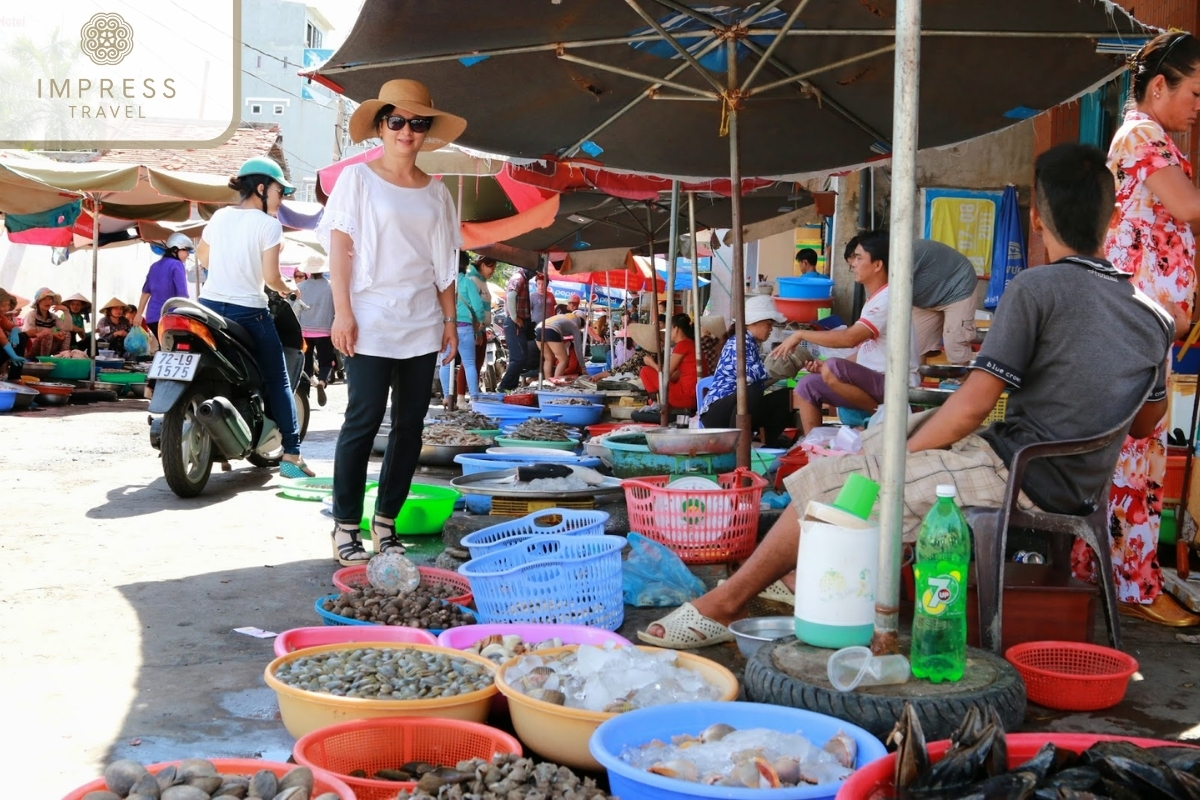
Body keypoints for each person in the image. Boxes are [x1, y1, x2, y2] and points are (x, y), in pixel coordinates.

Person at [640, 143, 1176, 647]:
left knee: (848, 477)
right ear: (1110, 219)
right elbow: (1147, 423)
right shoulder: (1155, 316)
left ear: (1038, 216)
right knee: (875, 451)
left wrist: (897, 463)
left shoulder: (1036, 289)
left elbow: (972, 407)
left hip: (1016, 473)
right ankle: (799, 575)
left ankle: (727, 604)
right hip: (1072, 482)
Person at [1071, 31, 1200, 626]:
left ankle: (1126, 580)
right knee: (1131, 451)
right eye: (1194, 92)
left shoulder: (1152, 137)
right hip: (1136, 316)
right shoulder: (1142, 133)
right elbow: (1188, 207)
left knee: (1137, 452)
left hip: (1148, 320)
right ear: (1158, 86)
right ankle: (1123, 585)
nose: (1199, 106)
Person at [318, 78, 464, 566]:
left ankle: (386, 523)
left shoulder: (438, 194)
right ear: (381, 126)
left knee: (411, 426)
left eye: (417, 123)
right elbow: (340, 249)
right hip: (370, 318)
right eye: (397, 121)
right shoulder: (357, 180)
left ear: (426, 131)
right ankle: (343, 526)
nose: (406, 130)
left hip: (423, 320)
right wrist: (343, 311)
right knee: (362, 420)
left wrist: (450, 320)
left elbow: (445, 263)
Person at [197, 156, 313, 480]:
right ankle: (292, 453)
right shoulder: (269, 225)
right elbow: (272, 277)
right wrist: (290, 289)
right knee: (279, 380)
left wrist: (226, 268)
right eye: (280, 191)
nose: (282, 198)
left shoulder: (219, 217)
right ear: (261, 188)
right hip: (248, 313)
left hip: (207, 308)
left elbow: (203, 256)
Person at [772, 230, 919, 434]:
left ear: (878, 265)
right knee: (806, 386)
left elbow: (850, 338)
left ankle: (889, 415)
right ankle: (813, 445)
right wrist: (823, 367)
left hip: (895, 385)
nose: (853, 264)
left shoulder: (889, 298)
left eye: (859, 258)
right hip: (874, 382)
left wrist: (800, 335)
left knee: (833, 367)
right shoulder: (874, 299)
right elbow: (866, 350)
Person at [698, 294, 795, 447]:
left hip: (735, 406)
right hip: (717, 413)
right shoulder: (738, 342)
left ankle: (768, 443)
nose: (770, 329)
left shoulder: (751, 343)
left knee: (788, 396)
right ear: (753, 322)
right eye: (768, 324)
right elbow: (748, 377)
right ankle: (736, 446)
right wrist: (778, 369)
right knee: (752, 392)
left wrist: (778, 373)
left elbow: (758, 379)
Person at [911, 239, 980, 365]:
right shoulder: (879, 260)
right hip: (926, 297)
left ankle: (962, 382)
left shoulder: (902, 254)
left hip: (957, 286)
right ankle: (913, 383)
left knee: (955, 341)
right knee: (915, 347)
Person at [439, 253, 489, 407]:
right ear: (466, 266)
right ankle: (474, 398)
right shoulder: (467, 283)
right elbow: (478, 307)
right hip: (465, 328)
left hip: (447, 327)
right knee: (469, 364)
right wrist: (480, 322)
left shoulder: (443, 282)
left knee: (445, 363)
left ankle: (447, 396)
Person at [133, 233, 193, 339]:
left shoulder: (154, 266)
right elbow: (182, 294)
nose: (188, 254)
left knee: (164, 347)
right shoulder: (177, 265)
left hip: (152, 318)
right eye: (186, 250)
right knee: (176, 349)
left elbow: (146, 292)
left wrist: (139, 314)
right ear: (175, 250)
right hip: (170, 318)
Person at [639, 314, 699, 412]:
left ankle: (656, 403)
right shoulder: (691, 344)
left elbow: (666, 373)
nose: (669, 332)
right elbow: (675, 375)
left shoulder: (683, 345)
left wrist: (651, 363)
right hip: (693, 398)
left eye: (670, 329)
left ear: (676, 329)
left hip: (683, 397)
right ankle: (655, 402)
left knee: (645, 371)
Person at [297, 262, 336, 408]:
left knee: (305, 365)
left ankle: (304, 397)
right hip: (325, 330)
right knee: (326, 361)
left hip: (304, 331)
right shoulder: (331, 287)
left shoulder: (301, 287)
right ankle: (322, 381)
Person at [499, 268, 533, 390]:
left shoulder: (523, 279)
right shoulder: (518, 278)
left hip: (518, 323)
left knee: (520, 358)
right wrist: (514, 317)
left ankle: (510, 386)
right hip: (515, 323)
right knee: (519, 358)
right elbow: (511, 295)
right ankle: (504, 386)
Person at [535, 311, 586, 378]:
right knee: (563, 360)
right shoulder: (575, 325)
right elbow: (578, 348)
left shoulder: (563, 317)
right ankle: (555, 382)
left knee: (548, 358)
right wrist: (583, 367)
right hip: (551, 330)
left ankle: (548, 382)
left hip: (538, 329)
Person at [22, 287, 67, 357]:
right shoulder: (31, 314)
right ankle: (44, 360)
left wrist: (66, 311)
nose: (48, 301)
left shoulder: (53, 317)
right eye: (44, 299)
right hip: (31, 347)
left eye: (50, 299)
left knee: (67, 334)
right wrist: (52, 333)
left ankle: (64, 358)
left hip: (48, 346)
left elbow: (66, 328)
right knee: (47, 333)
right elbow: (31, 333)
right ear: (38, 302)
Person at [0, 288, 26, 379]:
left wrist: (14, 331)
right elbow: (2, 338)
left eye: (7, 305)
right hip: (2, 342)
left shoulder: (2, 317)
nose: (5, 308)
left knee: (21, 336)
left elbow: (13, 326)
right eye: (3, 305)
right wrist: (13, 355)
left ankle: (14, 377)